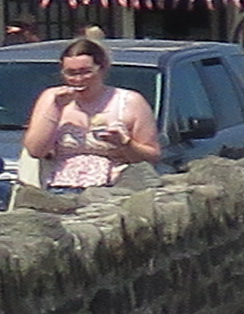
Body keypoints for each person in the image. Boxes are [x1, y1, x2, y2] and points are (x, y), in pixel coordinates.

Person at [19, 31, 161, 198]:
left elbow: (152, 156)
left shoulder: (130, 101)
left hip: (115, 189)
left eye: (86, 72)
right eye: (71, 73)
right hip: (60, 188)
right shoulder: (52, 98)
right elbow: (35, 150)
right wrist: (56, 109)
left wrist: (125, 144)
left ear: (101, 69)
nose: (78, 79)